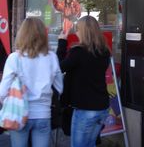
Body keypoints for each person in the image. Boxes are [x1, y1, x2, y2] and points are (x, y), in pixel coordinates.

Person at [0, 17, 63, 147]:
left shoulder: (14, 58)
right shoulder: (52, 57)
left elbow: (2, 91)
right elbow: (60, 87)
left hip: (18, 113)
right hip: (43, 114)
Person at [57, 15, 110, 147]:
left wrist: (62, 42)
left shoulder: (78, 52)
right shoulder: (104, 52)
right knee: (90, 144)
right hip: (102, 107)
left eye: (78, 29)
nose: (76, 32)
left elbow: (58, 67)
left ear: (84, 32)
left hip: (85, 109)